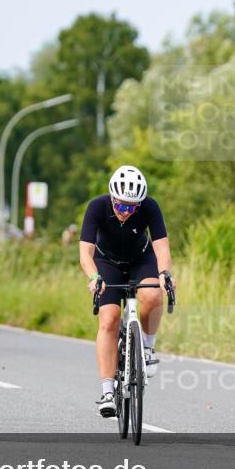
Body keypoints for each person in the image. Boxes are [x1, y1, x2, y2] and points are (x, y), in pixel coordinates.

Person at [79, 165, 174, 418]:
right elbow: (85, 252)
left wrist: (164, 274)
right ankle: (107, 392)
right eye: (121, 206)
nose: (125, 212)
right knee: (109, 319)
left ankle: (148, 348)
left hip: (141, 260)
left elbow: (162, 248)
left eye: (131, 208)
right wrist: (94, 277)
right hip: (106, 263)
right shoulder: (97, 207)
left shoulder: (150, 207)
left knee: (153, 295)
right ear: (112, 198)